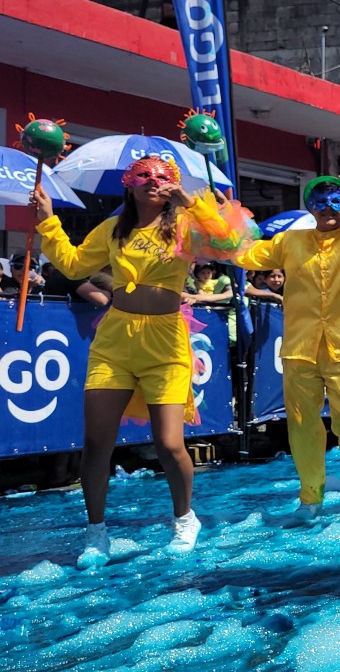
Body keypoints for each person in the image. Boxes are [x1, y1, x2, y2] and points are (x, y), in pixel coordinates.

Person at [31, 156, 246, 568]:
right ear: (128, 185)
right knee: (96, 444)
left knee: (169, 444)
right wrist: (48, 221)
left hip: (165, 341)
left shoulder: (185, 225)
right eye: (143, 175)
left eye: (162, 176)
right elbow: (75, 264)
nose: (153, 181)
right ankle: (96, 535)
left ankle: (185, 519)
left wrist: (189, 201)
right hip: (115, 339)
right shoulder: (114, 228)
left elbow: (229, 245)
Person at [234, 176, 340, 524]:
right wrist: (223, 226)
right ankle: (310, 495)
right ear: (309, 206)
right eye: (320, 200)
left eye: (336, 200)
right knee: (301, 425)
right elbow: (247, 254)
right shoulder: (290, 241)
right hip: (301, 347)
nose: (328, 208)